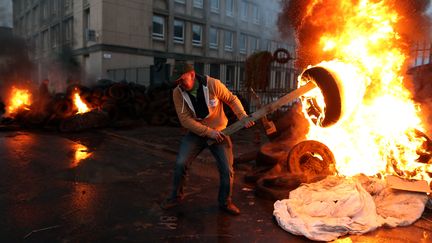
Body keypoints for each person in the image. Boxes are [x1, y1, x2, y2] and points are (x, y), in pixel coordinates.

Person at [161, 62, 254, 215]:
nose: (179, 84)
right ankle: (176, 196)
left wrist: (242, 116)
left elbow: (231, 99)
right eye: (176, 81)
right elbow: (185, 120)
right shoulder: (177, 93)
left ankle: (225, 202)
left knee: (227, 170)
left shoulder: (212, 84)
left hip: (219, 133)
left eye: (181, 80)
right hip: (196, 133)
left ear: (192, 74)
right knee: (180, 162)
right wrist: (207, 132)